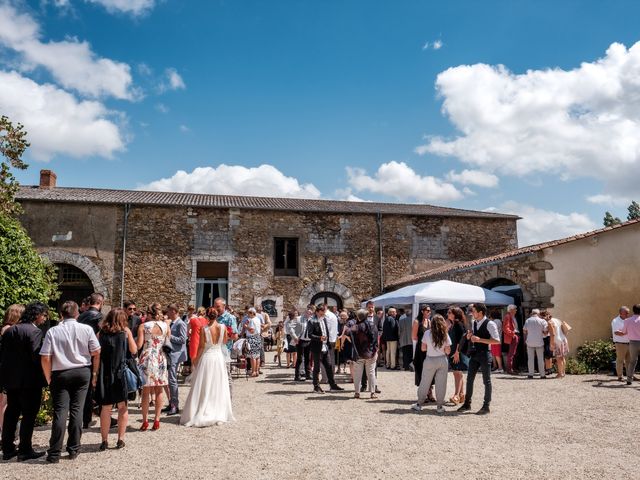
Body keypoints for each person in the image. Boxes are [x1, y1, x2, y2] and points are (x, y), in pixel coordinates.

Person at [40, 300, 101, 463]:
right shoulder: (86, 329)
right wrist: (94, 373)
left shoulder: (53, 331)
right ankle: (73, 448)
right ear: (77, 314)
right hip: (82, 371)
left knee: (60, 411)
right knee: (77, 410)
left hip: (60, 372)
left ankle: (54, 452)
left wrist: (48, 376)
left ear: (61, 314)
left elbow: (45, 356)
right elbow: (96, 351)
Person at [0, 302, 46, 461]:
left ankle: (7, 448)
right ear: (36, 315)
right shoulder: (34, 331)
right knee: (29, 415)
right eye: (43, 315)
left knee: (11, 413)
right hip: (30, 381)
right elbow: (36, 356)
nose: (44, 318)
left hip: (11, 379)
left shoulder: (10, 330)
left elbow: (3, 355)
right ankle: (25, 449)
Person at [180, 309, 234, 427]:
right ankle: (218, 411)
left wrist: (195, 359)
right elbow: (225, 341)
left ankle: (203, 409)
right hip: (219, 358)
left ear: (207, 317)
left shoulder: (205, 329)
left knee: (205, 384)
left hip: (208, 357)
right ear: (217, 316)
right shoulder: (223, 327)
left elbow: (201, 346)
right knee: (218, 384)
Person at [95, 308, 137, 451]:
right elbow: (134, 350)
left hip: (105, 373)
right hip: (120, 374)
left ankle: (104, 440)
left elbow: (95, 352)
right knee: (122, 407)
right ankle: (120, 439)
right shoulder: (125, 333)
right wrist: (129, 334)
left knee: (105, 409)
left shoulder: (101, 333)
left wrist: (95, 374)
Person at [457, 303, 500, 415]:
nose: (472, 313)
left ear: (480, 312)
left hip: (485, 354)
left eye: (474, 311)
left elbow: (497, 341)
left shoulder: (490, 324)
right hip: (475, 354)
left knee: (487, 381)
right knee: (469, 379)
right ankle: (467, 403)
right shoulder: (474, 322)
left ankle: (486, 406)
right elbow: (473, 338)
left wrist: (480, 339)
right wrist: (469, 337)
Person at [137, 303, 169, 431]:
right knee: (159, 389)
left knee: (146, 391)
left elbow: (139, 345)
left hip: (148, 356)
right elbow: (167, 342)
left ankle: (145, 421)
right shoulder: (166, 326)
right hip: (160, 357)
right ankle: (157, 420)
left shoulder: (143, 326)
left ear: (149, 314)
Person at [411, 314, 451, 414]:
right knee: (441, 384)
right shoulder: (445, 334)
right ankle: (440, 406)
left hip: (430, 359)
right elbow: (448, 351)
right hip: (442, 359)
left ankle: (419, 404)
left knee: (425, 382)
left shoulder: (427, 333)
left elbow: (423, 348)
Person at [77, 292, 103, 429]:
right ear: (100, 302)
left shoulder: (80, 316)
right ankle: (91, 416)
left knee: (84, 389)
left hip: (80, 353)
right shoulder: (98, 317)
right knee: (93, 386)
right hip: (94, 353)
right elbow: (101, 337)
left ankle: (84, 417)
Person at [0, 304, 25, 439]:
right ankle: (5, 433)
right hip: (5, 370)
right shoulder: (9, 330)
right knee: (4, 403)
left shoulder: (4, 328)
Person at [308, 304, 344, 394]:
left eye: (323, 313)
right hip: (317, 348)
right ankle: (316, 386)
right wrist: (319, 338)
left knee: (329, 366)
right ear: (317, 312)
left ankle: (332, 385)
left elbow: (326, 331)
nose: (323, 315)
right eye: (321, 313)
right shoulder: (312, 321)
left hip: (325, 347)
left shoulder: (324, 319)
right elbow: (309, 334)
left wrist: (327, 343)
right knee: (316, 368)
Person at [346, 309, 378, 399]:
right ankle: (372, 393)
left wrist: (352, 341)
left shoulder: (356, 327)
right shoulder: (373, 325)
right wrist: (376, 349)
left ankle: (357, 393)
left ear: (358, 317)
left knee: (357, 374)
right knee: (371, 373)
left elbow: (347, 332)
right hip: (371, 353)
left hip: (359, 353)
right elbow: (376, 338)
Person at [212, 298, 238, 398]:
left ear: (224, 306)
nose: (216, 308)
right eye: (215, 306)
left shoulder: (230, 318)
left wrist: (222, 336)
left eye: (217, 306)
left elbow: (235, 336)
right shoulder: (214, 318)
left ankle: (228, 401)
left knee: (226, 377)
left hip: (225, 351)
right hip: (214, 351)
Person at [165, 304, 187, 415]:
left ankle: (175, 405)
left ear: (174, 311)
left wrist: (168, 336)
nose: (167, 313)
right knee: (169, 380)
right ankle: (171, 403)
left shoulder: (181, 323)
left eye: (168, 311)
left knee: (173, 381)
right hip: (170, 354)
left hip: (175, 355)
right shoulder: (172, 323)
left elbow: (183, 339)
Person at [614, 304, 640, 385]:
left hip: (632, 343)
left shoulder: (627, 321)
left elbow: (624, 332)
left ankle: (629, 380)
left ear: (633, 311)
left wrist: (618, 332)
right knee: (628, 361)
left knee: (632, 361)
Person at [412, 306, 434, 401]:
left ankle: (430, 392)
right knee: (421, 371)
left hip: (429, 350)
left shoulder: (429, 322)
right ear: (422, 311)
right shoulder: (417, 322)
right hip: (420, 350)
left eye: (430, 311)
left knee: (430, 371)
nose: (429, 312)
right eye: (427, 311)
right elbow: (414, 337)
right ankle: (423, 394)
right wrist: (423, 342)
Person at [447, 307, 467, 405]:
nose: (448, 314)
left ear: (455, 314)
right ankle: (462, 394)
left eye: (450, 312)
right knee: (458, 373)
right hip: (455, 351)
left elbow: (461, 339)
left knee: (457, 373)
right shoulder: (454, 324)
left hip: (456, 352)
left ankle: (456, 395)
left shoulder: (458, 324)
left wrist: (457, 352)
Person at [523, 309, 548, 379]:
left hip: (530, 341)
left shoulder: (528, 320)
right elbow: (546, 331)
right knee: (540, 359)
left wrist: (529, 333)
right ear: (538, 313)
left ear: (532, 313)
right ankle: (542, 374)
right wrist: (541, 333)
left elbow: (524, 331)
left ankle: (531, 374)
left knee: (530, 359)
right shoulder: (542, 321)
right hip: (539, 341)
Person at [294, 305, 314, 381]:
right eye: (307, 312)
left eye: (310, 313)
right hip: (301, 341)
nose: (309, 314)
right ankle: (297, 376)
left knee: (308, 358)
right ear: (305, 312)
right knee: (300, 359)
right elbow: (291, 328)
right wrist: (295, 337)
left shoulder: (313, 320)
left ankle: (308, 374)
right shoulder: (299, 319)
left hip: (309, 341)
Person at [611, 307, 631, 381]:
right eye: (626, 313)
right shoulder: (615, 321)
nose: (628, 314)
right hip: (620, 344)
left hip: (629, 343)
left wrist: (623, 332)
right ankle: (620, 376)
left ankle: (630, 376)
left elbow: (625, 331)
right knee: (620, 360)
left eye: (628, 313)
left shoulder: (628, 320)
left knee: (629, 360)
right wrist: (626, 332)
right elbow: (617, 332)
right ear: (621, 313)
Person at [242, 308, 262, 377]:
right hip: (258, 338)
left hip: (252, 338)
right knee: (257, 356)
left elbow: (252, 330)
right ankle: (256, 371)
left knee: (252, 356)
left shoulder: (252, 320)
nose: (248, 314)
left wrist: (246, 327)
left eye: (249, 313)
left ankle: (253, 371)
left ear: (252, 313)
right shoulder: (258, 319)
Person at [548, 312, 568, 378]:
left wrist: (551, 344)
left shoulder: (550, 322)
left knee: (559, 358)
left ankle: (560, 374)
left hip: (557, 341)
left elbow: (552, 334)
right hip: (563, 339)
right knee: (562, 357)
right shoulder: (557, 320)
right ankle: (563, 372)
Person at [503, 305, 519, 374]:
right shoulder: (508, 316)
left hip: (515, 335)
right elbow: (505, 328)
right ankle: (510, 369)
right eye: (515, 309)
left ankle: (513, 368)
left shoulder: (512, 316)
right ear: (511, 310)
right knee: (511, 353)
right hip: (512, 336)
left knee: (514, 353)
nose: (516, 310)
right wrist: (513, 334)